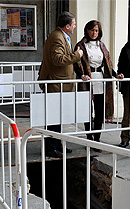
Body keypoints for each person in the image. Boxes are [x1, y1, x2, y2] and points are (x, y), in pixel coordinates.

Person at [38, 11, 83, 158]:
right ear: (67, 26)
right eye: (74, 24)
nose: (75, 27)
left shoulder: (62, 35)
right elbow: (58, 59)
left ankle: (57, 144)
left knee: (58, 117)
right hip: (56, 83)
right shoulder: (57, 37)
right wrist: (77, 55)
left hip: (61, 83)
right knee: (53, 117)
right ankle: (51, 147)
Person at [74, 20, 121, 151]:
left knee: (99, 111)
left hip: (101, 80)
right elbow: (76, 63)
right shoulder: (81, 45)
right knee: (87, 111)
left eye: (96, 30)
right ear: (87, 30)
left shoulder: (102, 45)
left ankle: (97, 139)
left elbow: (108, 64)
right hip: (86, 81)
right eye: (92, 30)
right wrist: (81, 75)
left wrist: (116, 74)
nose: (94, 33)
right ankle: (89, 139)